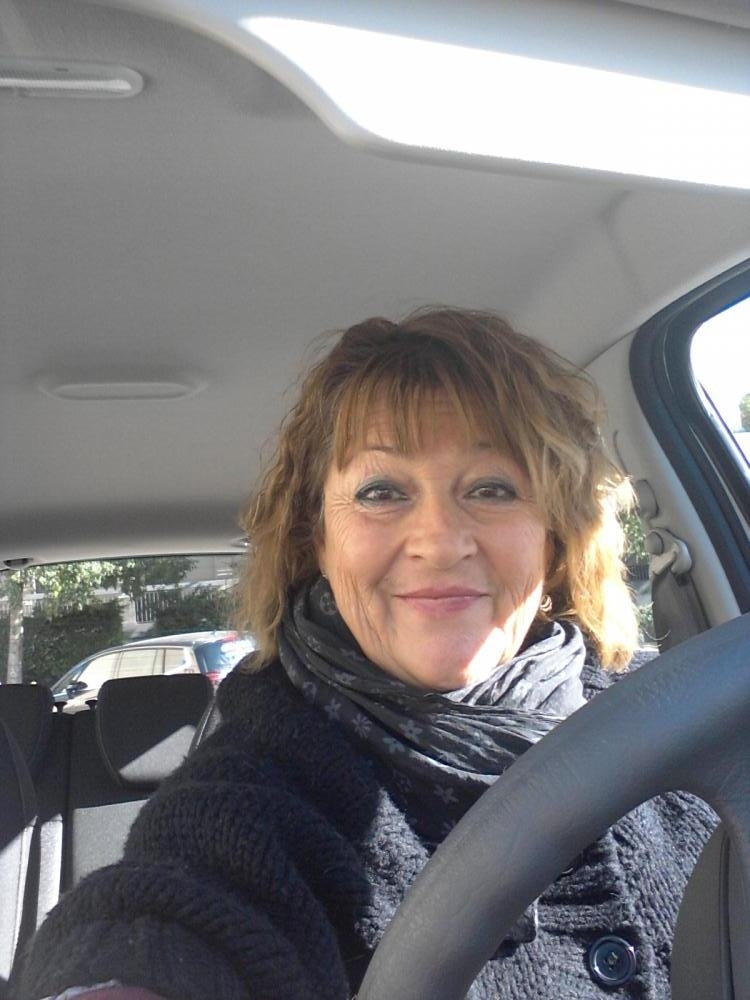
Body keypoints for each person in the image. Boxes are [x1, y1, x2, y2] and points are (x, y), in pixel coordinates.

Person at [13, 308, 715, 1000]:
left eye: (493, 488)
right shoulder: (260, 787)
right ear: (315, 540)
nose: (440, 541)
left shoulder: (681, 713)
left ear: (555, 535)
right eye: (382, 492)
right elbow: (173, 914)